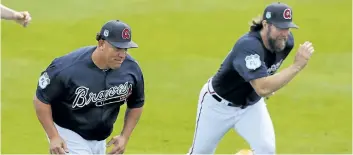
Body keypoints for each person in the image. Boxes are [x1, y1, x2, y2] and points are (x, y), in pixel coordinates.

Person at [187, 2, 315, 155]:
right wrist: (296, 66)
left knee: (267, 150)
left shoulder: (285, 43)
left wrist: (268, 81)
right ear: (266, 25)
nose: (285, 33)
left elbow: (268, 68)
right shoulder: (248, 46)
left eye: (287, 28)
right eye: (280, 28)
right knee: (200, 153)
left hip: (250, 106)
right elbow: (262, 88)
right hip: (217, 105)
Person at [33, 20, 145, 154]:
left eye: (125, 49)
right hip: (69, 133)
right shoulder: (67, 68)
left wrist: (124, 136)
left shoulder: (131, 69)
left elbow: (136, 103)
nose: (122, 55)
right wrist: (54, 136)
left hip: (100, 138)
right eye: (117, 48)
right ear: (101, 43)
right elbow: (41, 99)